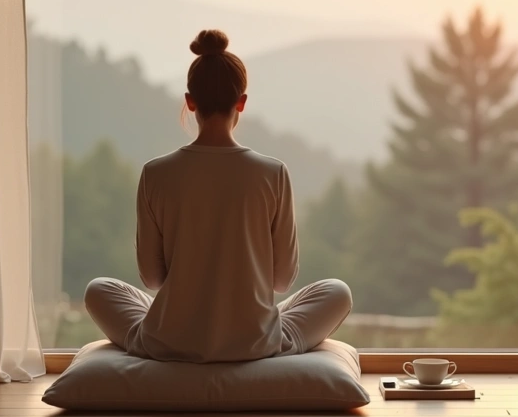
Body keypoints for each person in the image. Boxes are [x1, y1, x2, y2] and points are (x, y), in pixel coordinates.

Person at [84, 29, 353, 363]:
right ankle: (270, 337)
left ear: (190, 101)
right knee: (337, 293)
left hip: (169, 338)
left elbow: (152, 279)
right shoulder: (273, 173)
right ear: (241, 102)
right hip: (255, 341)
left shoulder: (156, 173)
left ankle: (158, 338)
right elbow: (282, 281)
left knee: (98, 289)